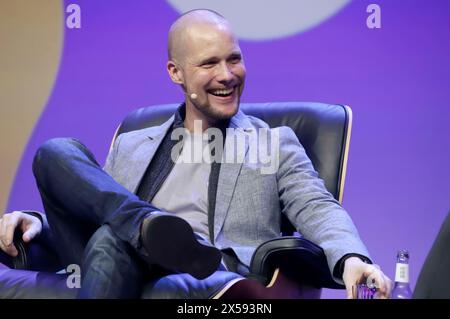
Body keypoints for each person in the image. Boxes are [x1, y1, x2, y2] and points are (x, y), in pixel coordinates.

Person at [0, 9, 391, 299]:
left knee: (109, 238)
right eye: (209, 63)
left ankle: (151, 232)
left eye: (234, 58)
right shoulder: (133, 144)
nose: (227, 74)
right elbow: (98, 209)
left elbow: (316, 205)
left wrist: (350, 258)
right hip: (123, 255)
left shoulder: (274, 142)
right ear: (176, 73)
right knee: (58, 154)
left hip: (209, 266)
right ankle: (146, 226)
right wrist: (35, 225)